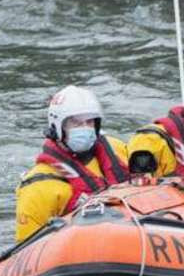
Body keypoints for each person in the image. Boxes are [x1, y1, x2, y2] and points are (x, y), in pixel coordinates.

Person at [15, 85, 129, 242]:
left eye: (90, 122)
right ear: (58, 127)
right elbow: (26, 248)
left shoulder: (118, 150)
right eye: (76, 123)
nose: (85, 128)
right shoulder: (39, 186)